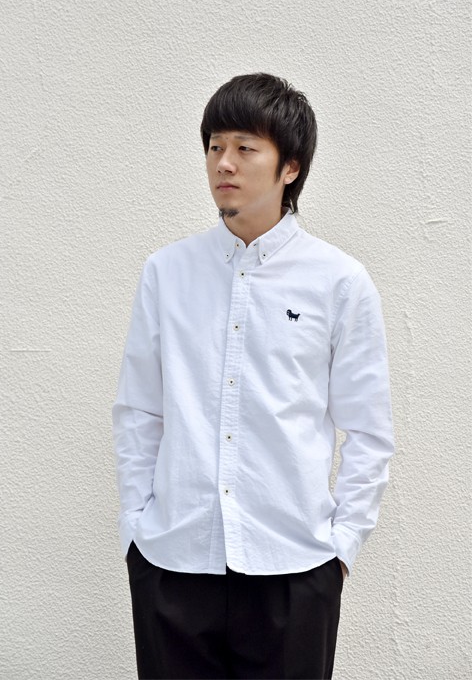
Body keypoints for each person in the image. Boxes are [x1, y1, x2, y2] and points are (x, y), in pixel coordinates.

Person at [113, 72, 394, 679]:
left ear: (290, 166)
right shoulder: (166, 273)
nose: (224, 163)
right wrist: (136, 528)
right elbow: (139, 411)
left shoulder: (338, 282)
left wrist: (341, 548)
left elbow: (369, 431)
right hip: (173, 562)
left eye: (245, 147)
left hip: (294, 568)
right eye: (215, 146)